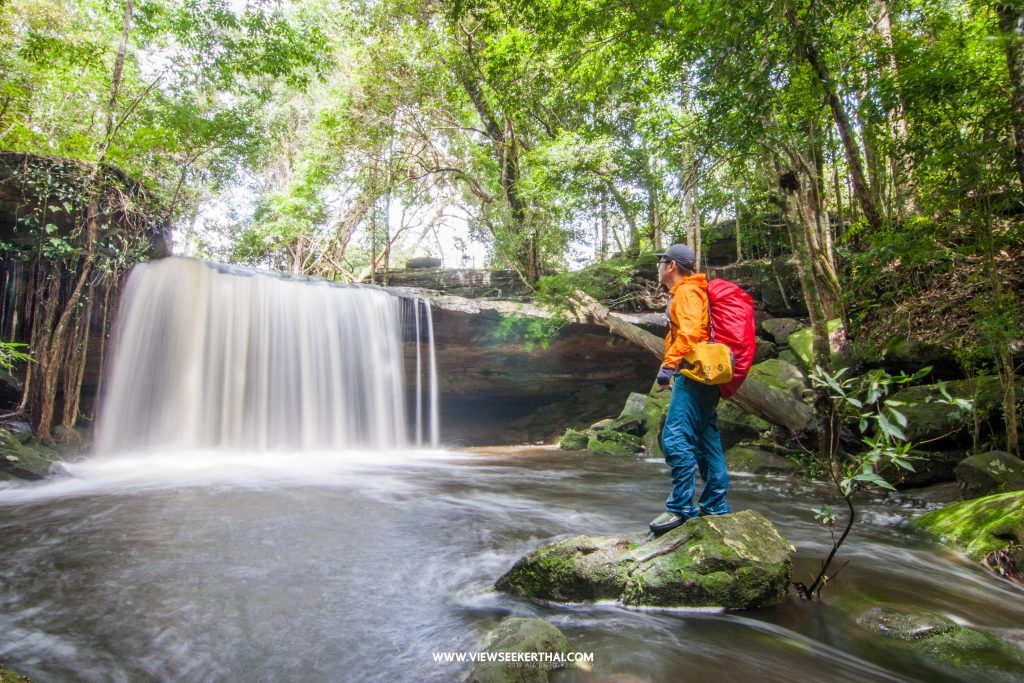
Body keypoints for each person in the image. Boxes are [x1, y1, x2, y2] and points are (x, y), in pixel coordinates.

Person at [648, 244, 730, 535]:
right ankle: (716, 506)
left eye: (661, 262)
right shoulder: (691, 291)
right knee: (707, 439)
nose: (658, 267)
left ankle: (681, 507)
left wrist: (668, 367)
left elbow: (691, 332)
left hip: (693, 373)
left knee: (674, 438)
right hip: (703, 375)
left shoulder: (686, 292)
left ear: (672, 266)